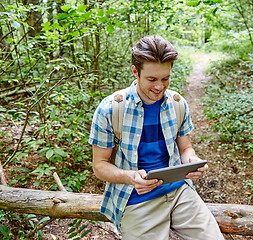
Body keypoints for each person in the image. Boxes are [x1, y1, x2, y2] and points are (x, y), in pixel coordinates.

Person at [88, 35, 224, 240]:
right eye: (152, 79)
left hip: (179, 192)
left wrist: (192, 162)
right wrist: (130, 177)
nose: (159, 87)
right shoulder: (110, 109)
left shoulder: (177, 103)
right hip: (137, 199)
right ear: (135, 71)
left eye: (165, 78)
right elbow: (99, 166)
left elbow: (185, 148)